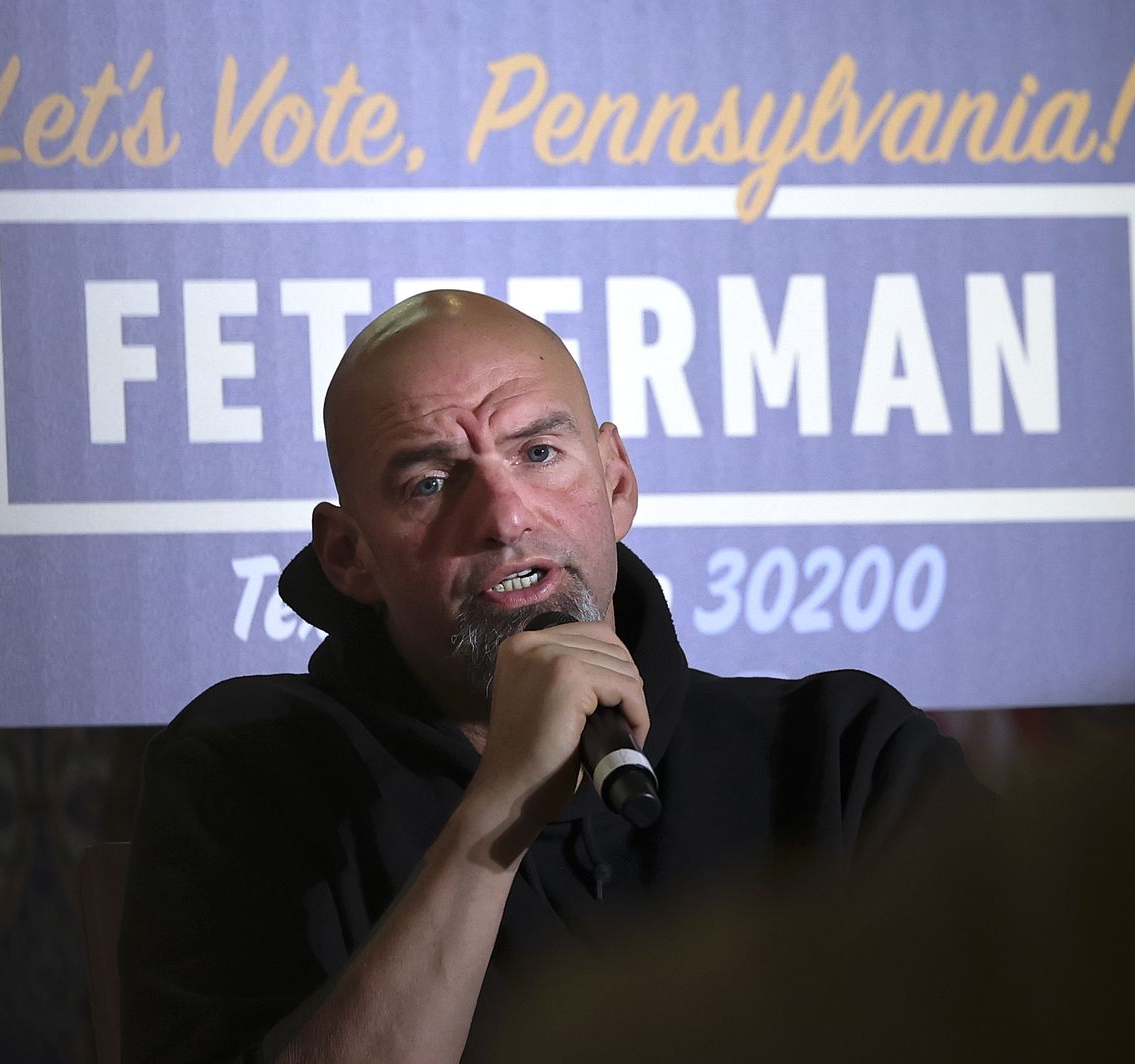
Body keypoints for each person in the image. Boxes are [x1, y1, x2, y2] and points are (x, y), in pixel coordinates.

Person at [118, 290, 983, 1062]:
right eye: (430, 483)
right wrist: (497, 810)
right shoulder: (250, 769)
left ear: (616, 482)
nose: (503, 516)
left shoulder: (843, 754)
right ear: (349, 555)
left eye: (537, 453)